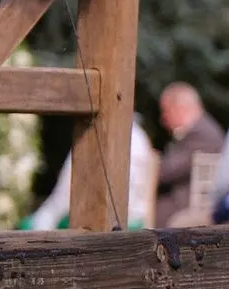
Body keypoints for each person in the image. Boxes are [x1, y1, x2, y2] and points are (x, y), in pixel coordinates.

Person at [27, 116, 156, 230]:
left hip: (104, 224)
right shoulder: (141, 137)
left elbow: (64, 196)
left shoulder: (94, 135)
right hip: (136, 222)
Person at [154, 83, 223, 227]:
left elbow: (165, 172)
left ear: (180, 108)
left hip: (183, 208)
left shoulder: (202, 134)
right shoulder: (203, 129)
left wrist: (151, 161)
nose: (163, 120)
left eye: (166, 112)